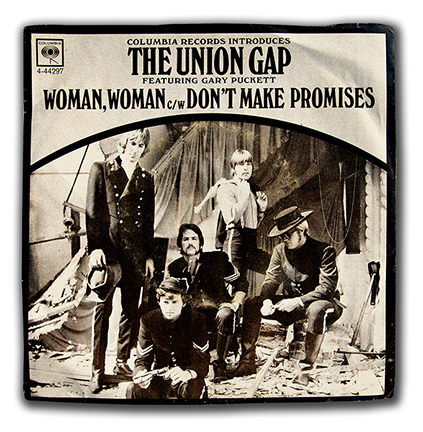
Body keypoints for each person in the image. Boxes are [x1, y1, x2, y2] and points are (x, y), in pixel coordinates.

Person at [233, 206, 344, 377]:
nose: (284, 239)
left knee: (316, 309)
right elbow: (271, 279)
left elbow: (326, 288)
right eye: (281, 235)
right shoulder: (280, 250)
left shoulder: (324, 251)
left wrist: (298, 301)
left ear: (301, 231)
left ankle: (306, 368)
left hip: (321, 303)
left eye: (288, 234)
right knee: (252, 303)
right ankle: (247, 363)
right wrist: (266, 300)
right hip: (291, 304)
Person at [85, 128, 155, 393]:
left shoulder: (146, 177)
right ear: (122, 144)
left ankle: (122, 363)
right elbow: (93, 212)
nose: (136, 149)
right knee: (103, 309)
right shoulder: (101, 169)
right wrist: (95, 248)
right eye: (132, 144)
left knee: (130, 310)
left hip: (135, 254)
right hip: (109, 252)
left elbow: (147, 220)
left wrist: (148, 255)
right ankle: (96, 370)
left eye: (140, 145)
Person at [167, 223, 245, 382]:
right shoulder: (175, 268)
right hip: (193, 319)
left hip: (218, 314)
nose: (190, 242)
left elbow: (241, 283)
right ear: (180, 245)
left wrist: (235, 303)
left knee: (226, 314)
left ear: (201, 243)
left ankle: (220, 363)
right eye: (185, 239)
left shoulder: (217, 260)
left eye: (194, 238)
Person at [126, 278, 210, 400]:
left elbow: (203, 361)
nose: (170, 308)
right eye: (165, 302)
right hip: (160, 378)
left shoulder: (196, 320)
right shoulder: (148, 320)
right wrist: (141, 374)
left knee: (192, 391)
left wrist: (188, 373)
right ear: (159, 302)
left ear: (183, 303)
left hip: (186, 377)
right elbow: (142, 360)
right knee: (133, 389)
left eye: (175, 302)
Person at [215, 149, 271, 295]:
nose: (246, 168)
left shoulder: (250, 190)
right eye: (241, 164)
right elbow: (231, 217)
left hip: (250, 244)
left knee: (274, 267)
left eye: (248, 164)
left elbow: (253, 225)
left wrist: (261, 210)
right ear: (233, 168)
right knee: (235, 288)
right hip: (235, 242)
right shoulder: (226, 188)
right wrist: (244, 193)